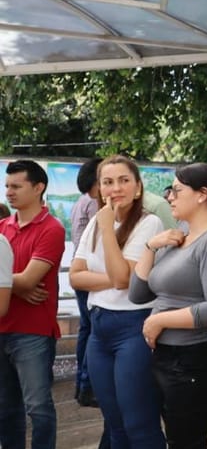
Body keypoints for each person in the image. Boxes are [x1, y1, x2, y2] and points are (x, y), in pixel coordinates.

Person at [129, 163, 207, 449]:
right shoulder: (181, 238)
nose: (170, 196)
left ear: (202, 195)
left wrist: (159, 320)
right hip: (166, 356)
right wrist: (152, 246)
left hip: (192, 359)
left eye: (176, 190)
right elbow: (138, 293)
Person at [69, 156, 166, 449]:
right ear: (99, 187)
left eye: (123, 180)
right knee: (115, 423)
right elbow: (76, 277)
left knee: (139, 423)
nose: (115, 188)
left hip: (133, 329)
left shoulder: (148, 224)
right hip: (99, 330)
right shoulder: (97, 222)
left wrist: (109, 232)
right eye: (107, 182)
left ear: (138, 187)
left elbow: (124, 280)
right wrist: (113, 273)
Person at [0, 160, 66, 449]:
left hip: (34, 332)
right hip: (3, 326)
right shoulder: (2, 228)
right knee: (5, 406)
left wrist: (7, 284)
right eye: (7, 185)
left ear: (38, 187)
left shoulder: (52, 228)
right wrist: (19, 286)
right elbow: (24, 283)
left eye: (15, 186)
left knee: (38, 406)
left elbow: (32, 279)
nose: (8, 191)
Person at [70, 158, 102, 408]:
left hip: (82, 273)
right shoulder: (94, 202)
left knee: (86, 329)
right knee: (93, 331)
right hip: (91, 275)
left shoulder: (81, 201)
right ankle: (87, 386)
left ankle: (82, 385)